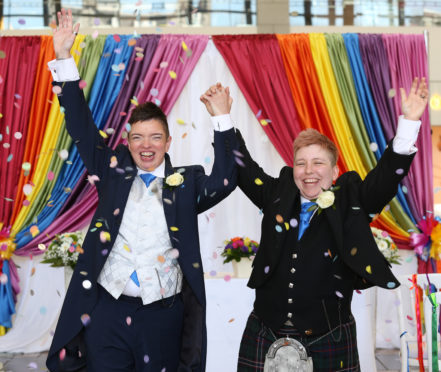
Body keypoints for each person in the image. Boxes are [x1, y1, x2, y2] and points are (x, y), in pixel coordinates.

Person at [46, 9, 237, 372]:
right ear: (128, 142)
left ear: (168, 141)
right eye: (137, 138)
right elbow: (81, 126)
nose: (145, 145)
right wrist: (63, 58)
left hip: (162, 316)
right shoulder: (113, 171)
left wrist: (222, 119)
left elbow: (227, 179)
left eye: (154, 137)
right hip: (108, 310)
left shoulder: (188, 181)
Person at [203, 78, 428, 371]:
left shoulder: (352, 199)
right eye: (301, 163)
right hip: (265, 331)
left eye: (318, 163)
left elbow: (387, 176)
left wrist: (409, 122)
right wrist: (221, 116)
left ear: (335, 171)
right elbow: (242, 166)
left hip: (329, 338)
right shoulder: (275, 195)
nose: (309, 171)